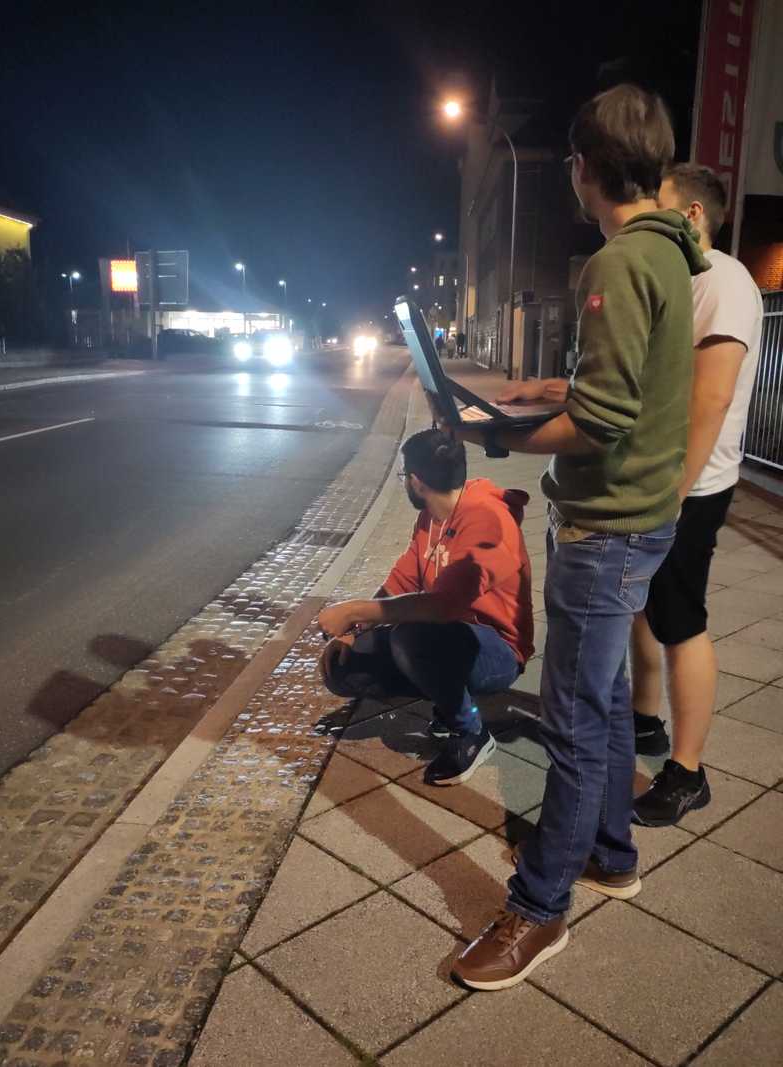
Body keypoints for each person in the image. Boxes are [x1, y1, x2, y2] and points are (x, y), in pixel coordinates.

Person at [448, 83, 709, 990]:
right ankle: (610, 850)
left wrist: (496, 436)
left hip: (603, 529)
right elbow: (624, 392)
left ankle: (539, 908)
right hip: (642, 521)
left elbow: (601, 423)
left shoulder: (617, 265)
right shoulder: (671, 253)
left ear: (582, 170)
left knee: (569, 720)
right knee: (595, 707)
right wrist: (538, 394)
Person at [630, 164, 763, 825]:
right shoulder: (685, 278)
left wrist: (670, 498)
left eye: (658, 208)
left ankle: (687, 771)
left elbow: (710, 401)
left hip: (696, 482)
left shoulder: (727, 282)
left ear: (692, 217)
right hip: (664, 478)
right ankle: (644, 722)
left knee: (682, 619)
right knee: (645, 606)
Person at [318, 428, 534, 787]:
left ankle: (471, 734)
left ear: (416, 482)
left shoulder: (487, 518)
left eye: (404, 476)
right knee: (346, 669)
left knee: (411, 637)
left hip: (497, 650)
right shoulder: (432, 517)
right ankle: (447, 699)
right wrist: (353, 631)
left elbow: (444, 606)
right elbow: (401, 581)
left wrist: (356, 610)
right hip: (444, 638)